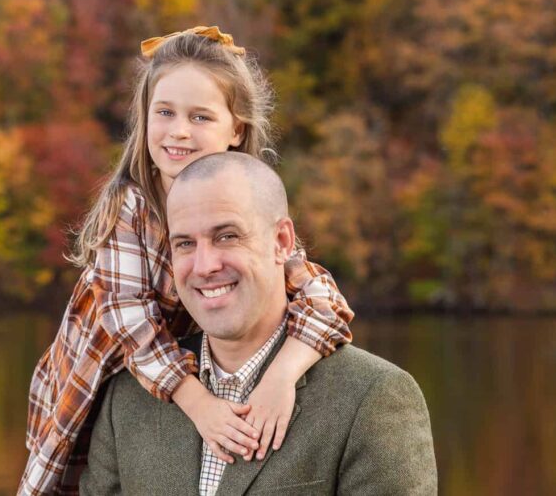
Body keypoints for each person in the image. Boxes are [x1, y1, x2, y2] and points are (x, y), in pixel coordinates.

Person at [19, 28, 355, 495]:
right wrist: (200, 405)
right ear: (144, 118)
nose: (179, 130)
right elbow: (130, 325)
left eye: (200, 116)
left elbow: (326, 302)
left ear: (235, 130)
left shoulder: (246, 205)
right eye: (165, 113)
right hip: (98, 380)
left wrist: (281, 378)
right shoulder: (130, 206)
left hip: (173, 381)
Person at [79, 152, 437, 495]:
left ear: (281, 242)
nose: (204, 266)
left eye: (227, 236)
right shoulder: (127, 399)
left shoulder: (372, 397)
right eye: (185, 243)